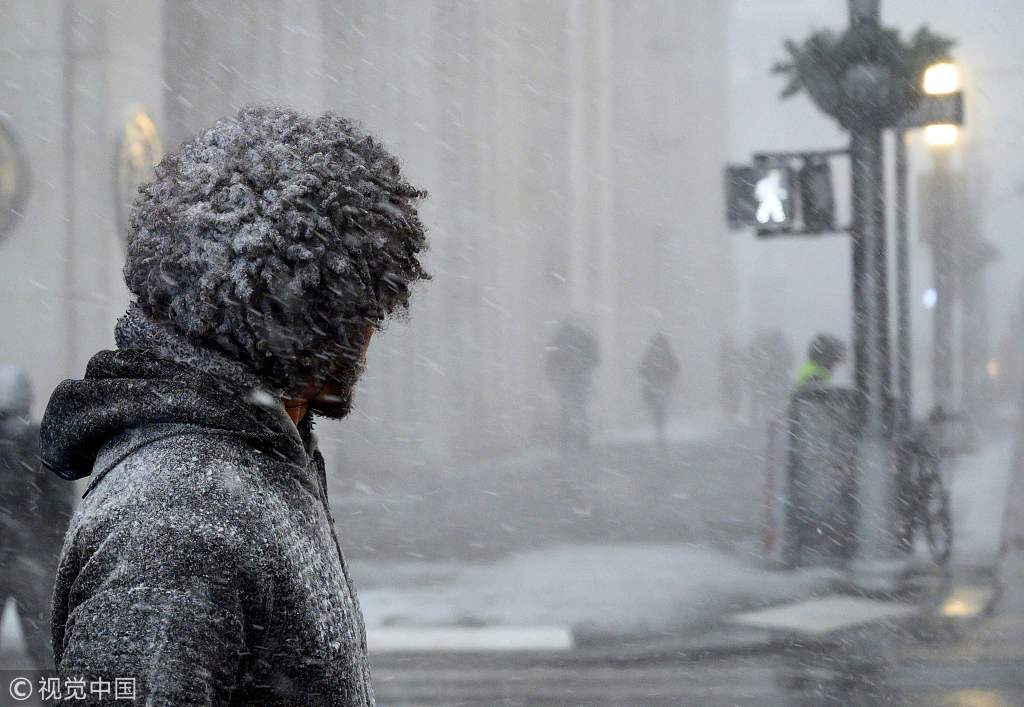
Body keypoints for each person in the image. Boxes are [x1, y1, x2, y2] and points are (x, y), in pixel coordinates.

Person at [39, 107, 429, 705]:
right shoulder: (180, 519)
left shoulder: (245, 470)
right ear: (303, 322)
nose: (373, 331)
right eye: (362, 309)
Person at [0, 366, 73, 671]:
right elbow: (61, 504)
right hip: (34, 559)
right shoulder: (45, 440)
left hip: (19, 554)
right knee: (46, 652)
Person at [546, 318, 600, 457]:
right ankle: (583, 436)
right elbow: (595, 357)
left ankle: (566, 438)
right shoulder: (583, 338)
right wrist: (587, 367)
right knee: (581, 408)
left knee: (566, 409)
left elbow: (551, 360)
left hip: (566, 379)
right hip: (581, 377)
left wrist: (553, 376)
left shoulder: (558, 339)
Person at [639, 332, 681, 448]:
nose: (659, 345)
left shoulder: (667, 355)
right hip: (655, 386)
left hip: (663, 386)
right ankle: (659, 428)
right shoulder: (651, 354)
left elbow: (676, 368)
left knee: (661, 409)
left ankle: (660, 429)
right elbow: (642, 368)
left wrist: (668, 377)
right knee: (657, 409)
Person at [747, 329, 794, 425]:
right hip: (779, 380)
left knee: (767, 401)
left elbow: (763, 365)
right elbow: (790, 362)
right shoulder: (782, 349)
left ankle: (762, 420)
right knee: (777, 401)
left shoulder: (767, 348)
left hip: (770, 380)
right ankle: (776, 420)